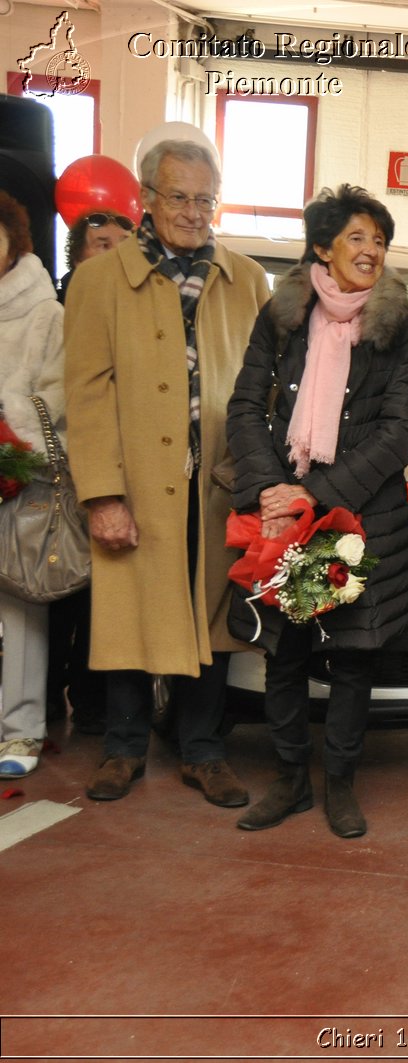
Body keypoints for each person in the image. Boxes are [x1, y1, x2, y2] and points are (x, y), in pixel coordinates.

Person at [65, 137, 270, 806]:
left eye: (204, 198)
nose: (192, 211)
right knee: (129, 612)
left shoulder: (246, 279)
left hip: (216, 481)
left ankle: (203, 750)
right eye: (178, 197)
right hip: (135, 481)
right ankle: (123, 748)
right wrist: (102, 494)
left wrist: (258, 476)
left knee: (211, 616)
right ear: (147, 200)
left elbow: (263, 389)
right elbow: (86, 393)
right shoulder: (99, 281)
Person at [225, 184, 408, 839]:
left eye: (380, 240)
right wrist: (269, 491)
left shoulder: (399, 327)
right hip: (282, 516)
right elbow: (246, 407)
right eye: (358, 237)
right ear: (322, 246)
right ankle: (290, 781)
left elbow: (399, 432)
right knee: (284, 653)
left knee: (352, 658)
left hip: (357, 519)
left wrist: (319, 493)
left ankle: (339, 783)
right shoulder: (282, 317)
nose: (372, 251)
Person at [49, 210, 131, 736]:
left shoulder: (137, 308)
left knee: (105, 600)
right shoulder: (54, 313)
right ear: (77, 255)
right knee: (59, 594)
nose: (114, 252)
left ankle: (93, 701)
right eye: (102, 244)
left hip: (120, 474)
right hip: (59, 475)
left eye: (123, 243)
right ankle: (45, 700)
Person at [0, 190, 64, 778]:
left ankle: (20, 733)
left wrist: (10, 428)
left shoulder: (45, 312)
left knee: (21, 605)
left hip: (19, 478)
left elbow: (60, 394)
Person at [56, 210, 133, 304]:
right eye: (104, 245)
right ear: (79, 260)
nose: (118, 253)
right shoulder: (59, 313)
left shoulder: (150, 302)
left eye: (125, 245)